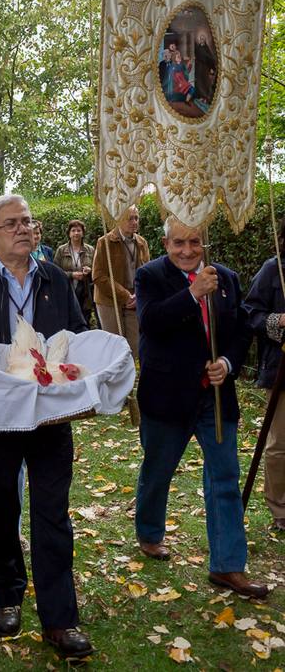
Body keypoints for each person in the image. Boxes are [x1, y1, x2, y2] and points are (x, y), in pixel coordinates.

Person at [0, 195, 92, 659]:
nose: (24, 229)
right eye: (12, 224)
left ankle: (60, 618)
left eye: (28, 221)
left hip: (48, 418)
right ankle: (6, 596)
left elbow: (77, 334)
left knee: (52, 512)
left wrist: (69, 372)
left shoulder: (54, 279)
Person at [134, 217, 267, 598]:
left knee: (224, 475)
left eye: (194, 242)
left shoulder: (225, 277)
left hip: (216, 396)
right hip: (167, 395)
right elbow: (151, 322)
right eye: (179, 243)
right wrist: (193, 294)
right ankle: (149, 530)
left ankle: (227, 566)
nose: (188, 251)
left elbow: (242, 329)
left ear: (203, 241)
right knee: (158, 470)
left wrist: (226, 362)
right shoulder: (149, 276)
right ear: (165, 242)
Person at [244, 218, 285, 530]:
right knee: (280, 442)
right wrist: (279, 322)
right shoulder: (274, 269)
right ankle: (281, 510)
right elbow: (251, 312)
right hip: (282, 366)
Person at [92, 205, 149, 357]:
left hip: (133, 300)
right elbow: (98, 275)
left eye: (136, 218)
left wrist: (139, 295)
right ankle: (115, 378)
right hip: (109, 300)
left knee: (134, 345)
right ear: (119, 220)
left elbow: (146, 273)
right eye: (130, 218)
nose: (134, 222)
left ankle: (130, 376)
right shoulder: (104, 242)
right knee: (115, 346)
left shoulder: (142, 242)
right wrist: (124, 295)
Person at [54, 220, 94, 325]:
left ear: (83, 233)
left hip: (85, 292)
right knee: (68, 320)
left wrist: (90, 271)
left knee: (85, 321)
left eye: (79, 230)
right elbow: (55, 272)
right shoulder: (61, 250)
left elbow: (97, 269)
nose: (76, 233)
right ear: (69, 233)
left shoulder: (90, 250)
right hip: (67, 289)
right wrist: (72, 275)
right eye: (73, 230)